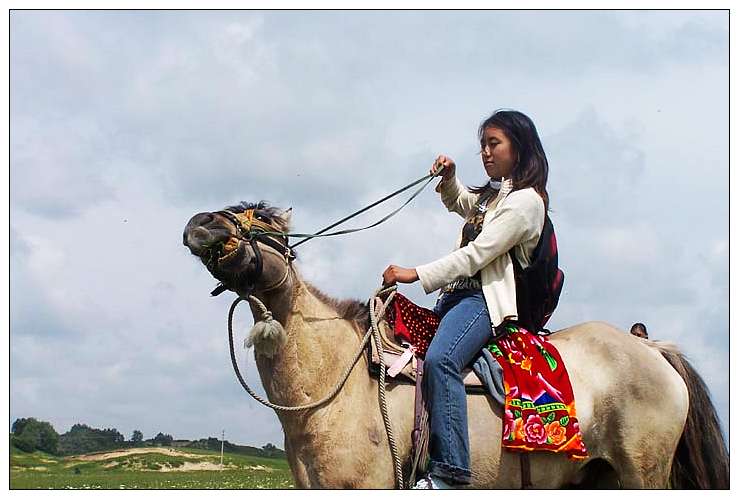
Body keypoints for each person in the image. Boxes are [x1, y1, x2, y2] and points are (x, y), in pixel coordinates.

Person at [382, 109, 549, 489]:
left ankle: (451, 473)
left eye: (494, 144)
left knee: (441, 360)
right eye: (483, 147)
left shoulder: (526, 203)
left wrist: (416, 273)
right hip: (455, 299)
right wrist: (451, 178)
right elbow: (465, 205)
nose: (486, 153)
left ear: (519, 149)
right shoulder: (497, 195)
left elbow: (477, 255)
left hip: (483, 303)